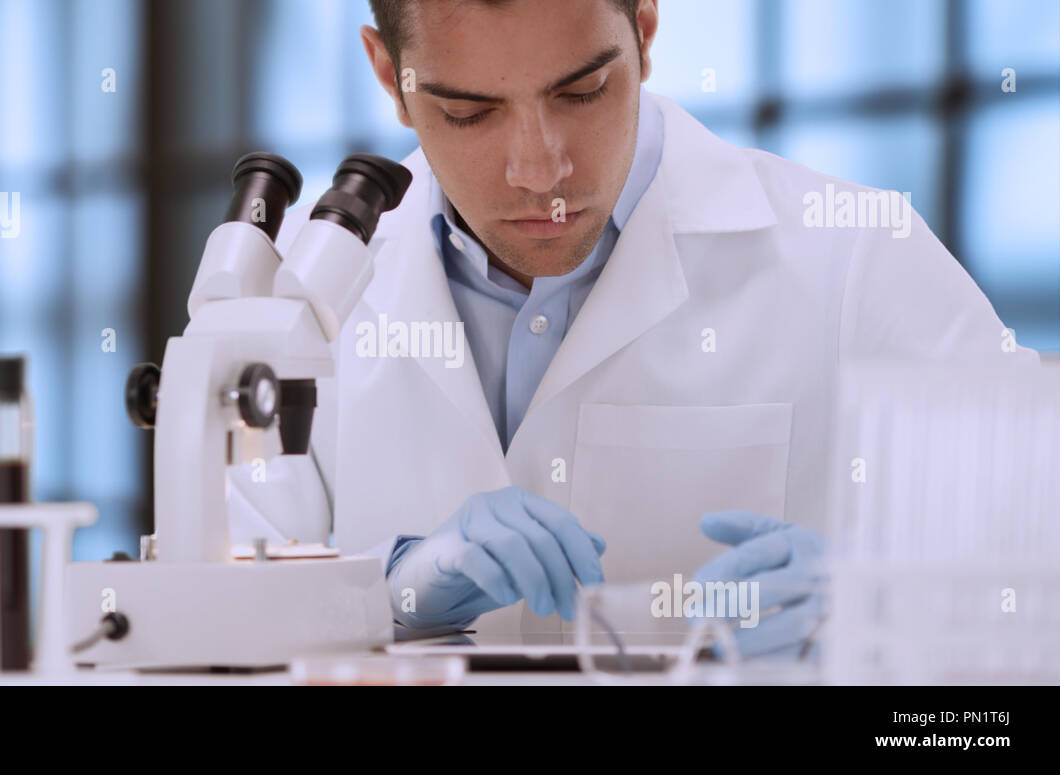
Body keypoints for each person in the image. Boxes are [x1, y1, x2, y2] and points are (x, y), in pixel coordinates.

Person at [221, 0, 1038, 659]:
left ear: (644, 31)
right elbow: (210, 607)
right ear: (387, 76)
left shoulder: (855, 252)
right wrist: (392, 590)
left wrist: (875, 600)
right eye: (470, 112)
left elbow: (1035, 551)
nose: (538, 170)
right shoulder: (299, 296)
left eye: (581, 93)